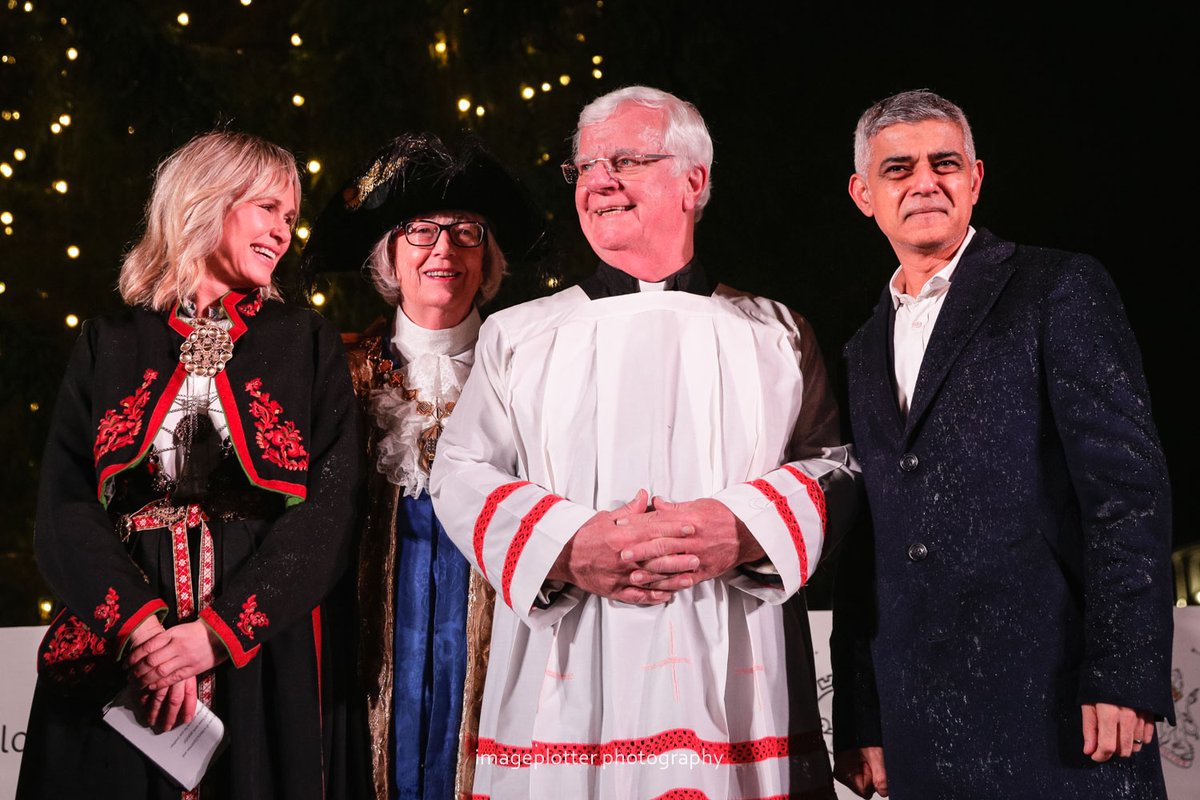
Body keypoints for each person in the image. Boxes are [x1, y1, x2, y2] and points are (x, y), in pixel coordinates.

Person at [430, 86, 858, 798]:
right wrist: (567, 546)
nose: (598, 181)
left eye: (624, 159)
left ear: (695, 181)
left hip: (734, 668)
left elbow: (835, 469)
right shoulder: (520, 335)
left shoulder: (776, 332)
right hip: (566, 672)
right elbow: (459, 469)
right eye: (585, 167)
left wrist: (742, 530)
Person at [831, 89, 1174, 799]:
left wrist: (1124, 673)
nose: (925, 181)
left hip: (1062, 712)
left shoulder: (1058, 288)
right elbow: (868, 546)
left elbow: (1128, 495)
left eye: (944, 163)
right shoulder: (861, 350)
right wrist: (864, 715)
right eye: (898, 169)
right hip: (919, 724)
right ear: (864, 194)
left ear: (975, 179)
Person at [17, 131, 364, 799]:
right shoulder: (109, 341)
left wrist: (220, 632)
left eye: (290, 218)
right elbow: (64, 506)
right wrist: (141, 632)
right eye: (268, 208)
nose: (283, 232)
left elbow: (331, 509)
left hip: (257, 655)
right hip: (121, 648)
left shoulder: (305, 340)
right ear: (207, 201)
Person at [300, 132, 544, 800]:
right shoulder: (335, 375)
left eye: (467, 232)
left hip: (500, 659)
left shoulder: (533, 372)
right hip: (362, 663)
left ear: (488, 258)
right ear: (388, 257)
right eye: (419, 232)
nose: (444, 250)